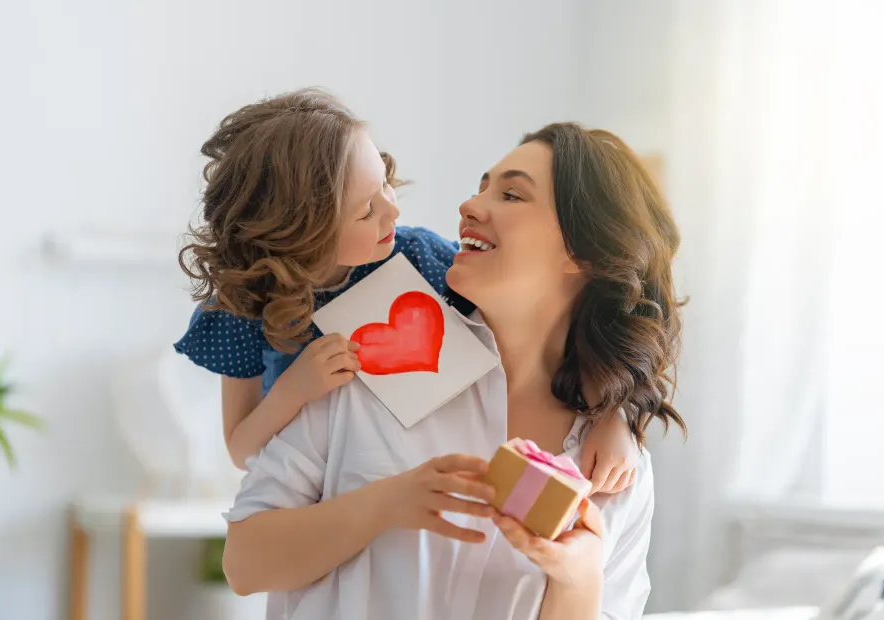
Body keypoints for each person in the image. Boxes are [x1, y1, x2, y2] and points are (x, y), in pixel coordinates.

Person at [221, 122, 687, 619]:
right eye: (481, 187)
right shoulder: (370, 359)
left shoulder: (613, 468)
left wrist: (577, 580)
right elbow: (244, 564)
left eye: (511, 195)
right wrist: (385, 503)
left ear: (582, 252)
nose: (469, 205)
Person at [174, 88, 640, 493]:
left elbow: (555, 335)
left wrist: (613, 415)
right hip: (308, 495)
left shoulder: (420, 259)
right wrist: (293, 391)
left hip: (410, 485)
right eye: (366, 210)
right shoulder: (241, 306)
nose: (393, 211)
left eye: (385, 183)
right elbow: (240, 450)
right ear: (301, 232)